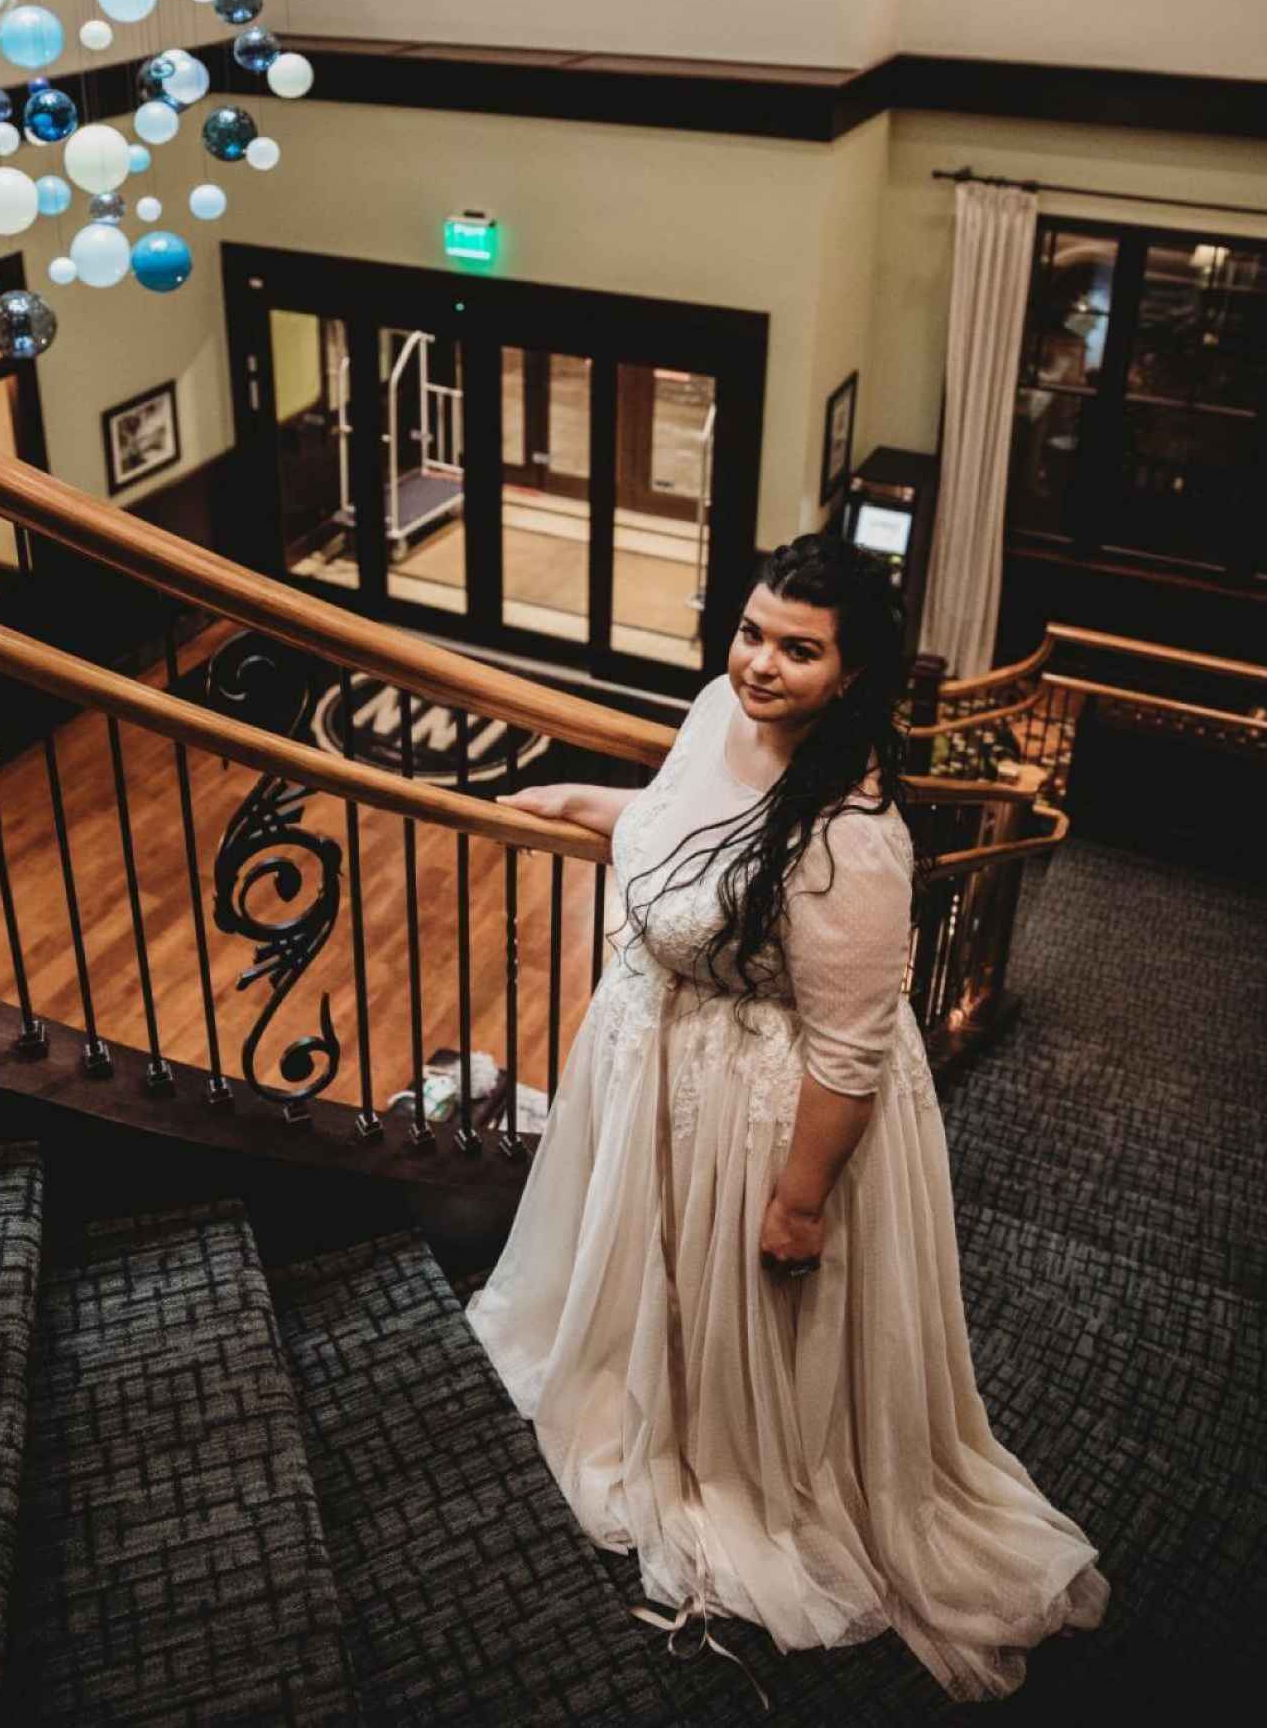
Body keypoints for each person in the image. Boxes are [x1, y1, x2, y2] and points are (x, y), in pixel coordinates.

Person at [465, 534, 1108, 1706]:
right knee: (650, 1269)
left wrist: (798, 1202)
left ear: (851, 675)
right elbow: (685, 824)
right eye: (752, 632)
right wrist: (577, 799)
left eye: (798, 650)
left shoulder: (852, 837)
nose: (759, 662)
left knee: (740, 1315)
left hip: (757, 1110)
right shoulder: (719, 707)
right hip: (658, 1056)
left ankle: (740, 1462)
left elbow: (850, 1050)